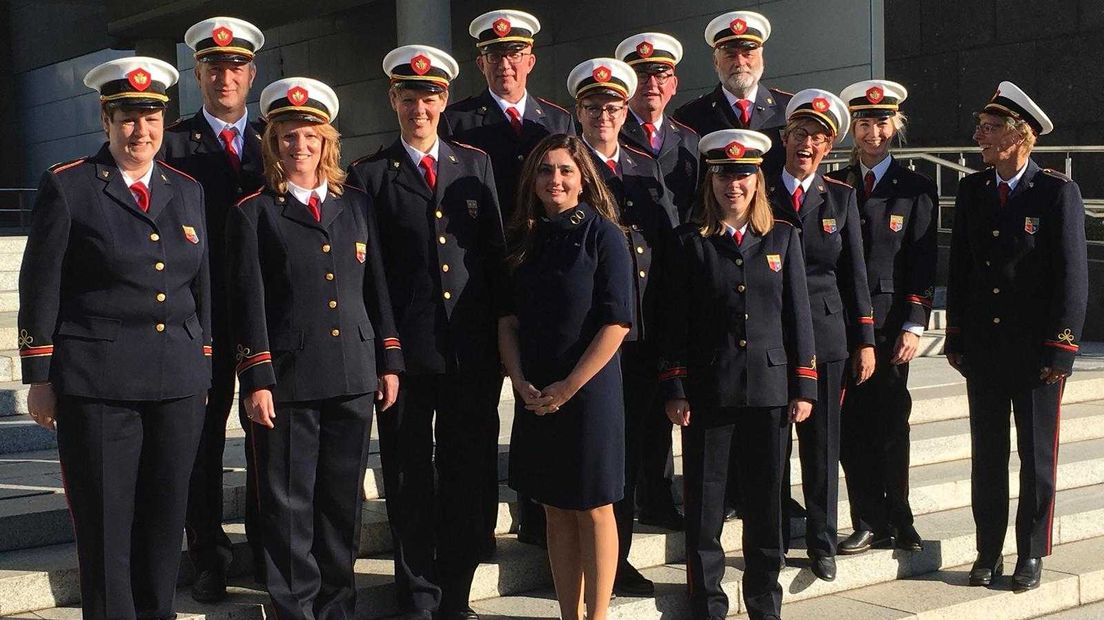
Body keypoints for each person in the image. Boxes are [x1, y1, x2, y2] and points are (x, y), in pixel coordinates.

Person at [19, 57, 210, 619]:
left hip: (176, 380)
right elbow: (41, 284)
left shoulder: (186, 189)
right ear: (106, 119)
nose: (140, 132)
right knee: (106, 528)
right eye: (127, 118)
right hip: (98, 385)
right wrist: (39, 375)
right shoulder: (70, 185)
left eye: (151, 118)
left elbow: (202, 286)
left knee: (163, 520)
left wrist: (202, 359)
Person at [227, 77, 403, 619]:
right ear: (273, 144)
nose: (299, 146)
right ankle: (295, 606)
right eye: (287, 137)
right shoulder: (254, 211)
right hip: (289, 380)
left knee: (339, 501)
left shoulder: (356, 205)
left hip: (352, 372)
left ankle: (337, 603)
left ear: (327, 142)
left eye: (309, 136)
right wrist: (256, 377)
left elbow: (377, 287)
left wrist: (388, 360)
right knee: (287, 502)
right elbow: (247, 301)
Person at [345, 45, 506, 620]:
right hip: (406, 355)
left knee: (468, 471)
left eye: (430, 96)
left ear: (444, 101)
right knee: (409, 475)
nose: (420, 107)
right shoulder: (367, 175)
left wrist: (501, 343)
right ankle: (417, 592)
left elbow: (491, 259)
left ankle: (456, 591)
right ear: (393, 100)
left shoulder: (474, 164)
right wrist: (387, 353)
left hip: (470, 353)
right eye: (408, 97)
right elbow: (372, 276)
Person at [660, 129, 816, 620]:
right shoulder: (690, 242)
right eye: (725, 174)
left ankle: (764, 601)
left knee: (766, 503)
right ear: (711, 180)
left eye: (744, 174)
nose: (735, 185)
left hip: (770, 392)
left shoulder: (783, 237)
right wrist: (676, 386)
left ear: (758, 179)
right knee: (705, 507)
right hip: (710, 390)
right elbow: (674, 322)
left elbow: (798, 317)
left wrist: (804, 384)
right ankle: (707, 601)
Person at [945, 81, 1088, 591]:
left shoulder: (1055, 192)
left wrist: (1063, 348)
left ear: (1017, 134)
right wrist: (956, 336)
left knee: (1036, 458)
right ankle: (988, 552)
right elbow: (959, 270)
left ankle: (1030, 553)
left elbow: (1072, 276)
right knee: (987, 457)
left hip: (1035, 355)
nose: (978, 136)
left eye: (988, 129)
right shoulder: (972, 190)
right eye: (980, 127)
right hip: (985, 350)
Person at [442, 7, 573, 551]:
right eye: (495, 56)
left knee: (541, 398)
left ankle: (538, 516)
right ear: (481, 62)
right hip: (478, 280)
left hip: (541, 277)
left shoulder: (557, 122)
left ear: (530, 60)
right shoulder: (457, 121)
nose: (506, 65)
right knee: (478, 413)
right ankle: (479, 525)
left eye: (515, 54)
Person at [500, 133, 633, 620]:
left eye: (564, 170)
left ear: (583, 178)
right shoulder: (526, 237)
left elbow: (617, 321)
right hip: (537, 393)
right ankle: (568, 614)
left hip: (588, 392)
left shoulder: (605, 235)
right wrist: (518, 380)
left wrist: (569, 387)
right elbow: (507, 320)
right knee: (555, 506)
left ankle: (596, 616)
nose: (554, 179)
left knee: (594, 506)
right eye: (545, 170)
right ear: (532, 180)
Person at [158, 16, 267, 600]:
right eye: (213, 68)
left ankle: (268, 542)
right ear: (197, 73)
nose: (224, 77)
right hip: (197, 318)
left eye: (235, 67)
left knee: (268, 434)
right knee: (200, 438)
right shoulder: (171, 143)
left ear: (252, 73)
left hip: (267, 319)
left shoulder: (280, 137)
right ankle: (208, 554)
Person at [568, 57, 677, 597]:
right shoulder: (566, 166)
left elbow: (663, 245)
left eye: (612, 107)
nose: (604, 116)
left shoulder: (643, 165)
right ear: (579, 112)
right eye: (593, 108)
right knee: (592, 451)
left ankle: (620, 555)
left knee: (629, 449)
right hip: (588, 330)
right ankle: (570, 553)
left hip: (640, 329)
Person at [769, 89, 876, 582]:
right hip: (772, 337)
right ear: (784, 138)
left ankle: (822, 540)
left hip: (828, 336)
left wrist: (866, 339)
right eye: (798, 134)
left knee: (822, 444)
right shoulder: (758, 187)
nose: (805, 144)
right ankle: (768, 536)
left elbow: (855, 273)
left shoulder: (842, 196)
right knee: (772, 446)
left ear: (828, 144)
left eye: (816, 136)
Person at [827, 80, 936, 556]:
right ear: (853, 127)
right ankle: (867, 518)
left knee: (892, 422)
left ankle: (901, 518)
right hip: (844, 324)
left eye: (883, 122)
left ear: (897, 125)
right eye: (865, 122)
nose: (874, 132)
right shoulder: (835, 184)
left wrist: (915, 321)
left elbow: (923, 260)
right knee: (852, 427)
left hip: (892, 325)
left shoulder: (915, 188)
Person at [673, 10, 791, 178]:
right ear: (716, 62)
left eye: (748, 54)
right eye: (730, 55)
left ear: (762, 59)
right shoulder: (690, 117)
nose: (740, 63)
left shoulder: (788, 109)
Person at [615, 32, 700, 223]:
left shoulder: (690, 139)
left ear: (674, 84)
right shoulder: (611, 134)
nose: (652, 85)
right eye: (642, 76)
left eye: (661, 76)